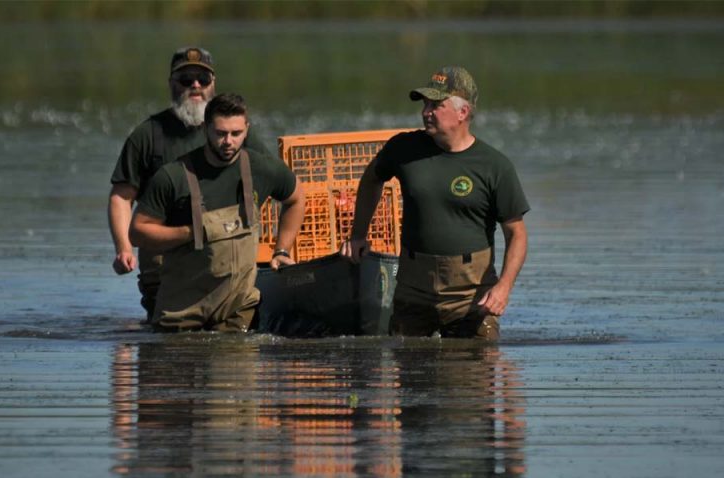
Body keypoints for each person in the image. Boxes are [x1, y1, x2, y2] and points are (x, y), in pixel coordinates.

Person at [340, 66, 530, 340]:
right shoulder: (403, 148)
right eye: (425, 104)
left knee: (474, 375)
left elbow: (517, 234)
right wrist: (358, 234)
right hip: (413, 290)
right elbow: (371, 180)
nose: (426, 111)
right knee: (409, 373)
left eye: (436, 105)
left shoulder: (494, 166)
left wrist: (504, 287)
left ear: (463, 112)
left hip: (470, 296)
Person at [108, 46, 271, 320]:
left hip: (226, 254)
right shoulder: (148, 135)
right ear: (172, 84)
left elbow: (272, 185)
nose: (195, 85)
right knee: (171, 340)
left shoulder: (236, 131)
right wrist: (123, 248)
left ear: (213, 85)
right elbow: (122, 197)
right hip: (166, 258)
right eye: (186, 79)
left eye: (203, 79)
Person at [130, 93, 304, 332]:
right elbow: (138, 233)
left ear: (247, 129)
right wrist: (190, 233)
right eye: (220, 133)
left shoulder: (261, 169)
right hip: (181, 316)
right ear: (205, 129)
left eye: (236, 134)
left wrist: (282, 250)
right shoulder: (173, 176)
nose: (228, 142)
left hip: (237, 314)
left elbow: (296, 199)